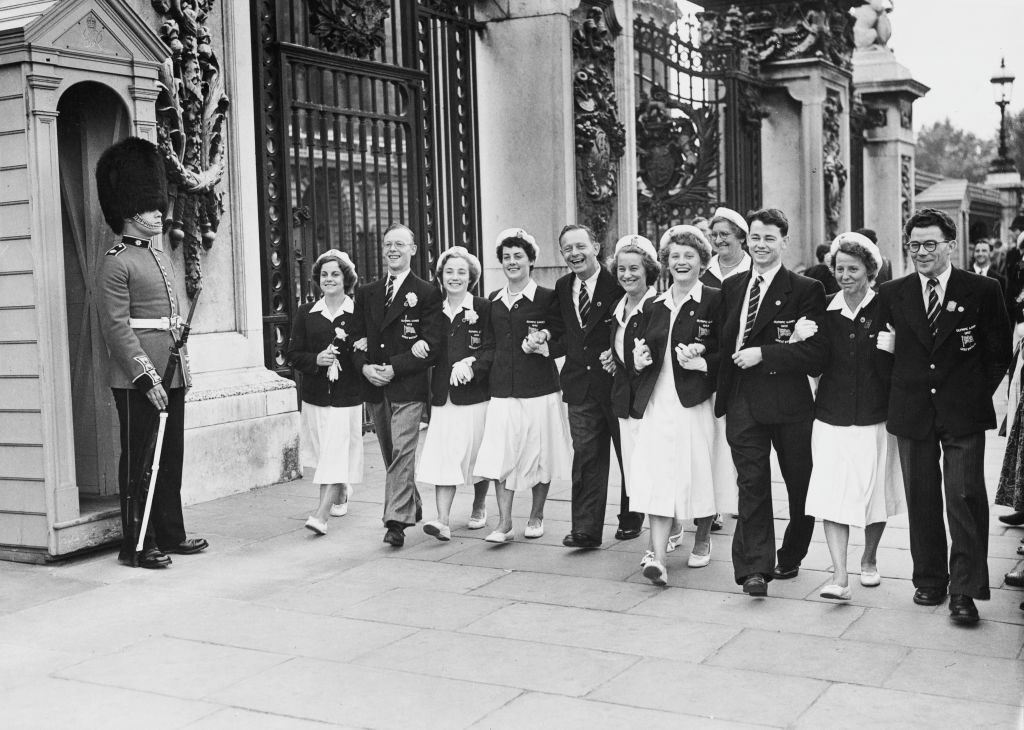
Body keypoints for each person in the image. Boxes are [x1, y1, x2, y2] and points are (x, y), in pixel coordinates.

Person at [876, 207, 1010, 625]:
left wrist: (969, 394)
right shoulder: (892, 293)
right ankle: (929, 578)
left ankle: (965, 590)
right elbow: (884, 354)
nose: (921, 252)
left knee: (965, 496)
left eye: (931, 244)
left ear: (951, 245)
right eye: (914, 245)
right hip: (912, 412)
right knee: (922, 498)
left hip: (963, 413)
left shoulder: (984, 290)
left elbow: (998, 353)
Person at [94, 136, 208, 569]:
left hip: (172, 370)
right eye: (149, 205)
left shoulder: (158, 257)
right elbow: (117, 328)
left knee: (170, 456)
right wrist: (146, 376)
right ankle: (137, 544)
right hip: (138, 378)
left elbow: (168, 318)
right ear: (128, 209)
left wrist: (178, 358)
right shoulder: (116, 261)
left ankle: (170, 533)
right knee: (141, 459)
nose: (159, 212)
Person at [714, 207, 827, 597]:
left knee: (800, 483)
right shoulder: (731, 288)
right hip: (742, 399)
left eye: (769, 238)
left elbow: (815, 356)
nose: (761, 245)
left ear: (784, 242)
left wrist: (766, 353)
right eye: (756, 238)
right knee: (752, 483)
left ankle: (792, 552)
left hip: (789, 403)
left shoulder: (806, 289)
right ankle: (754, 569)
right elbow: (722, 345)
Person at [803, 232, 905, 600]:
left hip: (876, 419)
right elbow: (813, 363)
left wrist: (897, 348)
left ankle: (870, 558)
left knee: (874, 493)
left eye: (853, 268)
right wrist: (801, 338)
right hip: (830, 418)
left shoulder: (887, 306)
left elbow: (907, 360)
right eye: (840, 268)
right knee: (833, 494)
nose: (845, 275)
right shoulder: (825, 310)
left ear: (870, 270)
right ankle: (839, 575)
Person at [630, 227, 734, 585]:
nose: (681, 262)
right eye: (675, 256)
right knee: (659, 474)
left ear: (702, 262)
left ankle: (702, 538)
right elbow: (642, 349)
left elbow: (728, 352)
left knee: (700, 469)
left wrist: (704, 362)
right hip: (659, 401)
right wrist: (640, 359)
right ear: (666, 263)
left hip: (697, 402)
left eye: (689, 256)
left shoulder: (716, 300)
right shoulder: (654, 305)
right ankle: (657, 556)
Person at [544, 224, 642, 549]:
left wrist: (619, 354)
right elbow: (560, 333)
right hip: (579, 386)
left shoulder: (619, 282)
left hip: (617, 384)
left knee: (628, 452)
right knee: (586, 457)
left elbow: (639, 323)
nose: (574, 254)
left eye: (580, 246)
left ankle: (632, 517)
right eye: (567, 249)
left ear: (596, 247)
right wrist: (544, 341)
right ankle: (585, 529)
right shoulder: (561, 287)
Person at [473, 229, 572, 542]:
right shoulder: (493, 302)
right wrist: (473, 367)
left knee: (539, 454)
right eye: (506, 258)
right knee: (501, 455)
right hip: (502, 390)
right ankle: (504, 523)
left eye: (518, 256)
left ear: (532, 261)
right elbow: (488, 344)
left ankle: (536, 514)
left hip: (539, 390)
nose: (512, 262)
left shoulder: (546, 298)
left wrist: (544, 342)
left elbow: (562, 337)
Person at [350, 223, 444, 548]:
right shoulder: (367, 292)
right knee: (392, 454)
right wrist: (365, 369)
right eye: (389, 244)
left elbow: (433, 343)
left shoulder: (428, 292)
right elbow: (353, 338)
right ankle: (412, 504)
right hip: (375, 386)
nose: (393, 249)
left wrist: (395, 368)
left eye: (400, 244)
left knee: (403, 451)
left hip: (408, 386)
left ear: (413, 250)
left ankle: (395, 523)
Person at [418, 247, 494, 540]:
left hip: (475, 396)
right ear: (440, 277)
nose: (455, 277)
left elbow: (491, 348)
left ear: (471, 277)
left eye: (461, 272)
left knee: (477, 453)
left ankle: (479, 504)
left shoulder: (484, 308)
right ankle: (443, 520)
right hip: (442, 398)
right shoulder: (433, 310)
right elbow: (425, 345)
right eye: (449, 271)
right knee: (443, 455)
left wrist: (472, 364)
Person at [287, 250, 363, 535]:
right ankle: (341, 490)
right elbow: (292, 354)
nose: (329, 279)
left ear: (346, 279)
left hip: (347, 397)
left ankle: (320, 515)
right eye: (324, 275)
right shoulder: (306, 313)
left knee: (334, 453)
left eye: (335, 274)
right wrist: (315, 361)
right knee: (323, 454)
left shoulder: (358, 313)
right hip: (316, 396)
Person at [598, 235, 660, 564]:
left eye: (634, 268)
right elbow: (622, 347)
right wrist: (615, 356)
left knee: (654, 470)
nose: (626, 275)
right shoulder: (617, 308)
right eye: (621, 269)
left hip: (651, 403)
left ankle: (663, 537)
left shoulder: (658, 307)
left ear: (648, 270)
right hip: (624, 400)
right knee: (636, 472)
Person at [700, 206, 751, 288]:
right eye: (714, 235)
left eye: (724, 234)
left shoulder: (753, 269)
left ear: (741, 237)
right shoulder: (702, 269)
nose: (718, 240)